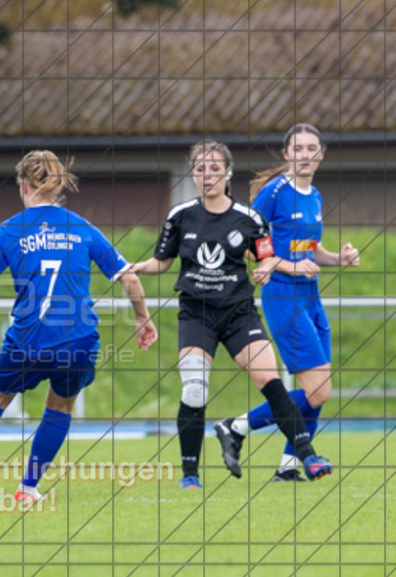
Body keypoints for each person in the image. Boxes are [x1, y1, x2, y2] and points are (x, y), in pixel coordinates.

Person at [0, 150, 158, 503]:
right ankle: (27, 489)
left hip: (28, 339)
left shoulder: (9, 230)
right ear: (58, 186)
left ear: (23, 185)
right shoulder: (81, 226)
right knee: (60, 408)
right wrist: (143, 318)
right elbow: (130, 279)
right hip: (77, 340)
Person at [131, 139, 333, 490]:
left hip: (239, 313)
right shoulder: (180, 216)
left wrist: (267, 269)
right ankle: (190, 475)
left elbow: (265, 255)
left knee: (270, 380)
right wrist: (130, 267)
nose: (206, 176)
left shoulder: (250, 218)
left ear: (227, 171)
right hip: (197, 314)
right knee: (194, 388)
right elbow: (162, 262)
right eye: (199, 169)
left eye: (213, 169)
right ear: (193, 173)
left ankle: (307, 455)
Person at [214, 125, 359, 482]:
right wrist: (287, 266)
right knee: (318, 388)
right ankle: (237, 426)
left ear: (321, 154)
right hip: (282, 295)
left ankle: (288, 466)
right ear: (287, 154)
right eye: (299, 148)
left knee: (318, 389)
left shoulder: (315, 196)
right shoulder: (274, 192)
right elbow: (245, 244)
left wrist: (338, 259)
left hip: (311, 296)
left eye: (313, 147)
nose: (306, 154)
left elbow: (311, 251)